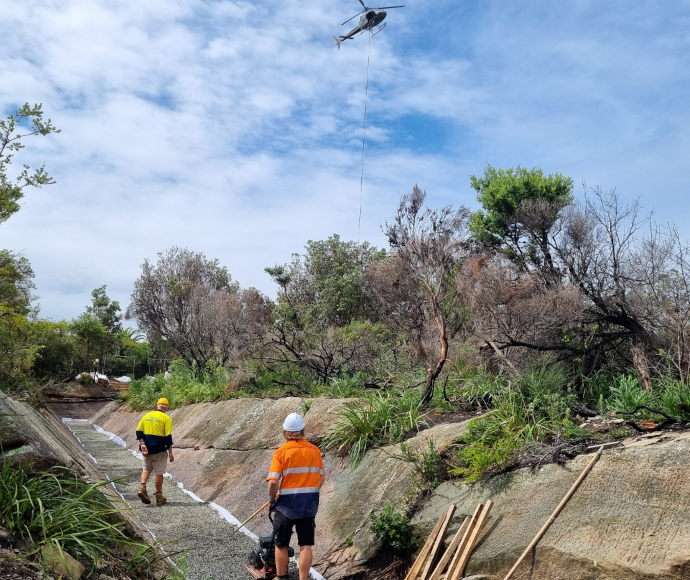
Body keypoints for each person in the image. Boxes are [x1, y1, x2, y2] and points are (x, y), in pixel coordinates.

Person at [266, 413, 325, 580]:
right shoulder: (314, 451)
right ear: (302, 431)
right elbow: (321, 477)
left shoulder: (281, 452)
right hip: (308, 505)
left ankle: (281, 577)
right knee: (306, 545)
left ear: (286, 432)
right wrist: (311, 491)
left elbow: (272, 483)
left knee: (281, 543)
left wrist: (272, 499)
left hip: (286, 506)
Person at [135, 397, 174, 506]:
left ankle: (142, 487)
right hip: (159, 450)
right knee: (159, 473)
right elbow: (168, 438)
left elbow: (138, 432)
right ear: (167, 408)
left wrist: (142, 444)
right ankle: (159, 496)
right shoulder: (166, 418)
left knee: (146, 469)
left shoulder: (147, 416)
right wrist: (170, 453)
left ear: (157, 405)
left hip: (146, 449)